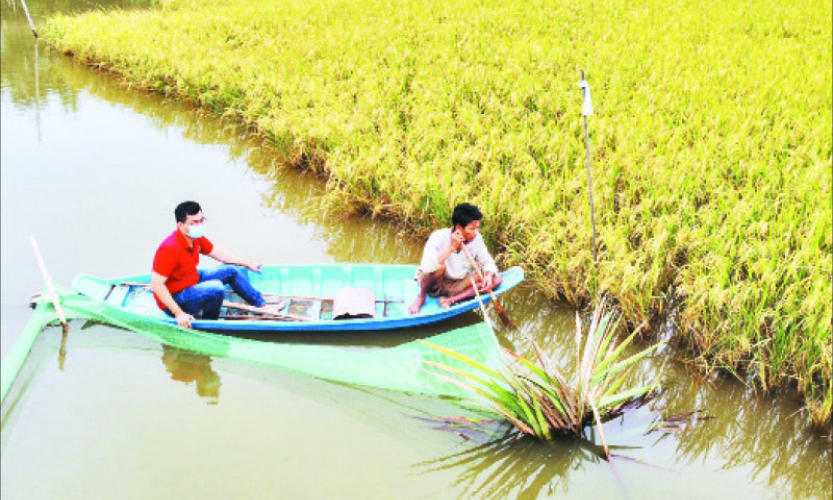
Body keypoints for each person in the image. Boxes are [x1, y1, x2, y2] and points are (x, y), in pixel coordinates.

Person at [150, 201, 283, 329]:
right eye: (194, 222)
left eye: (202, 220)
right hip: (176, 298)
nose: (199, 225)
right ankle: (209, 322)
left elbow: (218, 253)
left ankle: (262, 306)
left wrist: (247, 263)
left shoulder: (195, 238)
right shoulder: (169, 248)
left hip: (191, 280)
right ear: (180, 226)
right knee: (216, 288)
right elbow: (156, 285)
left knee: (231, 270)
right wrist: (179, 314)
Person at [408, 202, 503, 314]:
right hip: (434, 282)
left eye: (477, 228)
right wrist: (451, 247)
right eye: (472, 229)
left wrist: (488, 274)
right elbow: (427, 267)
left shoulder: (476, 239)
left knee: (497, 279)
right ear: (458, 227)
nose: (476, 233)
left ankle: (449, 300)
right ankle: (421, 296)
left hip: (456, 283)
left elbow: (487, 261)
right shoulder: (439, 237)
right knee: (439, 266)